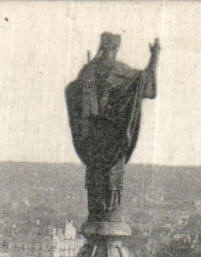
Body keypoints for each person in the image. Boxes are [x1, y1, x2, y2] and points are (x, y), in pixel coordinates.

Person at [66, 33, 160, 222]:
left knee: (96, 183)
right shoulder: (121, 71)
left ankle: (99, 215)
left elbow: (73, 91)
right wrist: (154, 58)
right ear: (116, 48)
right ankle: (109, 214)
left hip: (92, 140)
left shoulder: (88, 71)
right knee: (111, 184)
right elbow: (146, 86)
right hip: (114, 139)